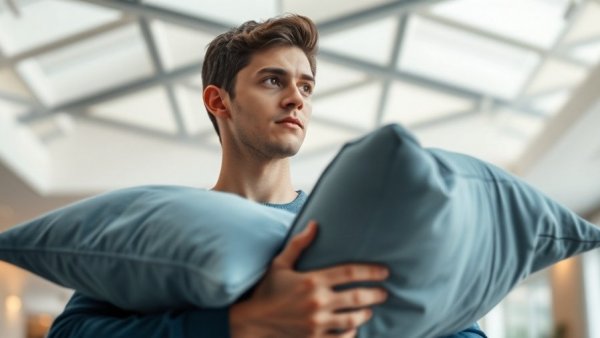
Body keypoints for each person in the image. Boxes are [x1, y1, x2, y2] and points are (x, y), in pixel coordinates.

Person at [48, 14, 486, 338]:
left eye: (307, 86)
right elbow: (70, 333)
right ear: (219, 102)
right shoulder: (162, 228)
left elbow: (462, 328)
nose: (297, 98)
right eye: (273, 81)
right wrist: (237, 325)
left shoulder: (355, 221)